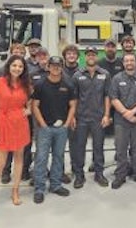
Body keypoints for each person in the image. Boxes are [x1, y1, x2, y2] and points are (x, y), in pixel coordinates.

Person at [0, 55, 31, 209]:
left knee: (19, 158)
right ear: (8, 66)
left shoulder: (25, 84)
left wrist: (28, 109)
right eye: (14, 65)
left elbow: (31, 100)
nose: (17, 68)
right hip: (3, 122)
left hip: (20, 123)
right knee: (1, 161)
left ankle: (15, 190)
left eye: (20, 66)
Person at [32, 56, 76, 204]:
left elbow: (73, 106)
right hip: (45, 129)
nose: (56, 68)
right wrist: (43, 124)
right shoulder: (40, 84)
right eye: (53, 65)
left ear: (61, 67)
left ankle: (56, 185)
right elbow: (35, 106)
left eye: (58, 65)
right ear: (48, 67)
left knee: (59, 157)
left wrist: (67, 124)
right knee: (41, 158)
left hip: (61, 129)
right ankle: (39, 188)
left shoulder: (68, 85)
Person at [71, 46, 111, 188]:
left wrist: (106, 115)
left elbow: (107, 96)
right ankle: (79, 175)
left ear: (97, 56)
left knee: (98, 147)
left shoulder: (105, 74)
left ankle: (99, 174)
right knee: (79, 147)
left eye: (93, 55)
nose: (91, 57)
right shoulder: (77, 75)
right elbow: (74, 98)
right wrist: (73, 117)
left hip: (98, 117)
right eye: (88, 55)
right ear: (85, 57)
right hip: (81, 117)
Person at [109, 53, 136, 189]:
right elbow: (113, 98)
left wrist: (132, 112)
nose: (129, 63)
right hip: (121, 120)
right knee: (121, 149)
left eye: (132, 60)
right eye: (127, 61)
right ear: (123, 63)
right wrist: (126, 113)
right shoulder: (116, 79)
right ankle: (121, 175)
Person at [61, 44, 80, 184]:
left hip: (77, 114)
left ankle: (76, 169)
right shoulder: (58, 71)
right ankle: (59, 172)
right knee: (59, 145)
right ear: (65, 56)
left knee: (75, 144)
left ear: (77, 56)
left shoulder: (82, 72)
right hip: (60, 113)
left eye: (74, 54)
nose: (71, 56)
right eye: (69, 54)